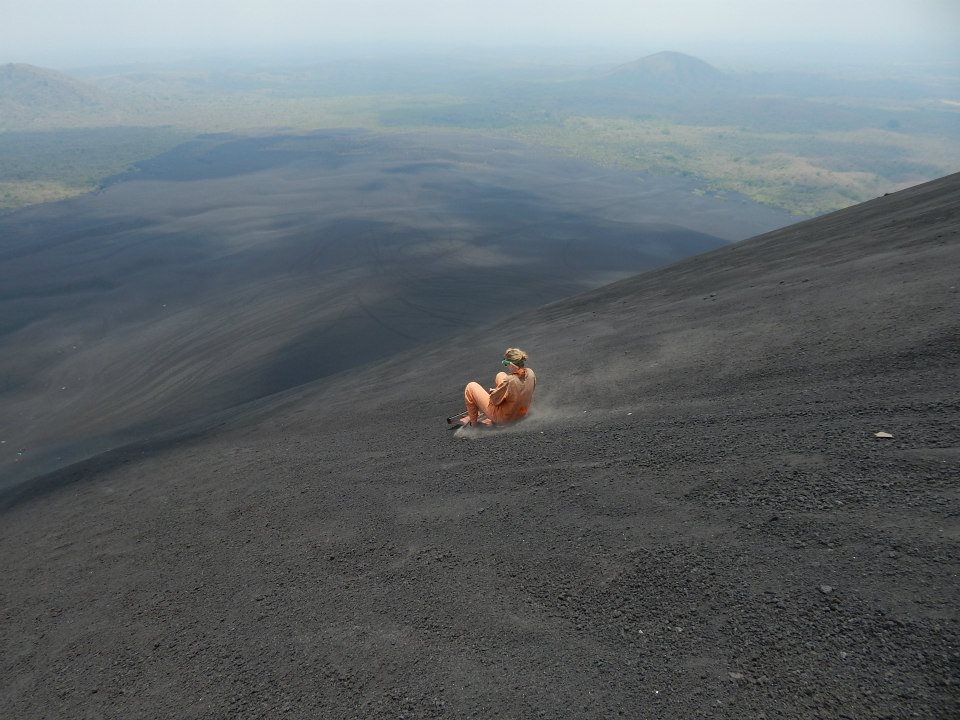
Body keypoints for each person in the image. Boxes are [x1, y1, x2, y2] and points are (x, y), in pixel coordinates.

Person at [461, 347, 536, 427]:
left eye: (505, 363)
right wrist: (502, 391)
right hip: (521, 413)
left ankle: (474, 424)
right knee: (501, 375)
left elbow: (494, 400)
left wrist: (494, 392)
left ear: (511, 364)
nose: (506, 366)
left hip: (505, 418)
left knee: (471, 386)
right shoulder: (531, 373)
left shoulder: (510, 380)